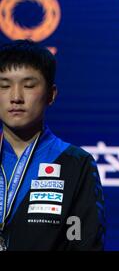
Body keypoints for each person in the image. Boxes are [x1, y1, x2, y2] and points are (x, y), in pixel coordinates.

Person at [0, 39, 105, 250]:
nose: (16, 97)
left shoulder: (76, 163)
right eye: (4, 86)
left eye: (29, 86)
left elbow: (85, 244)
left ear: (51, 94)